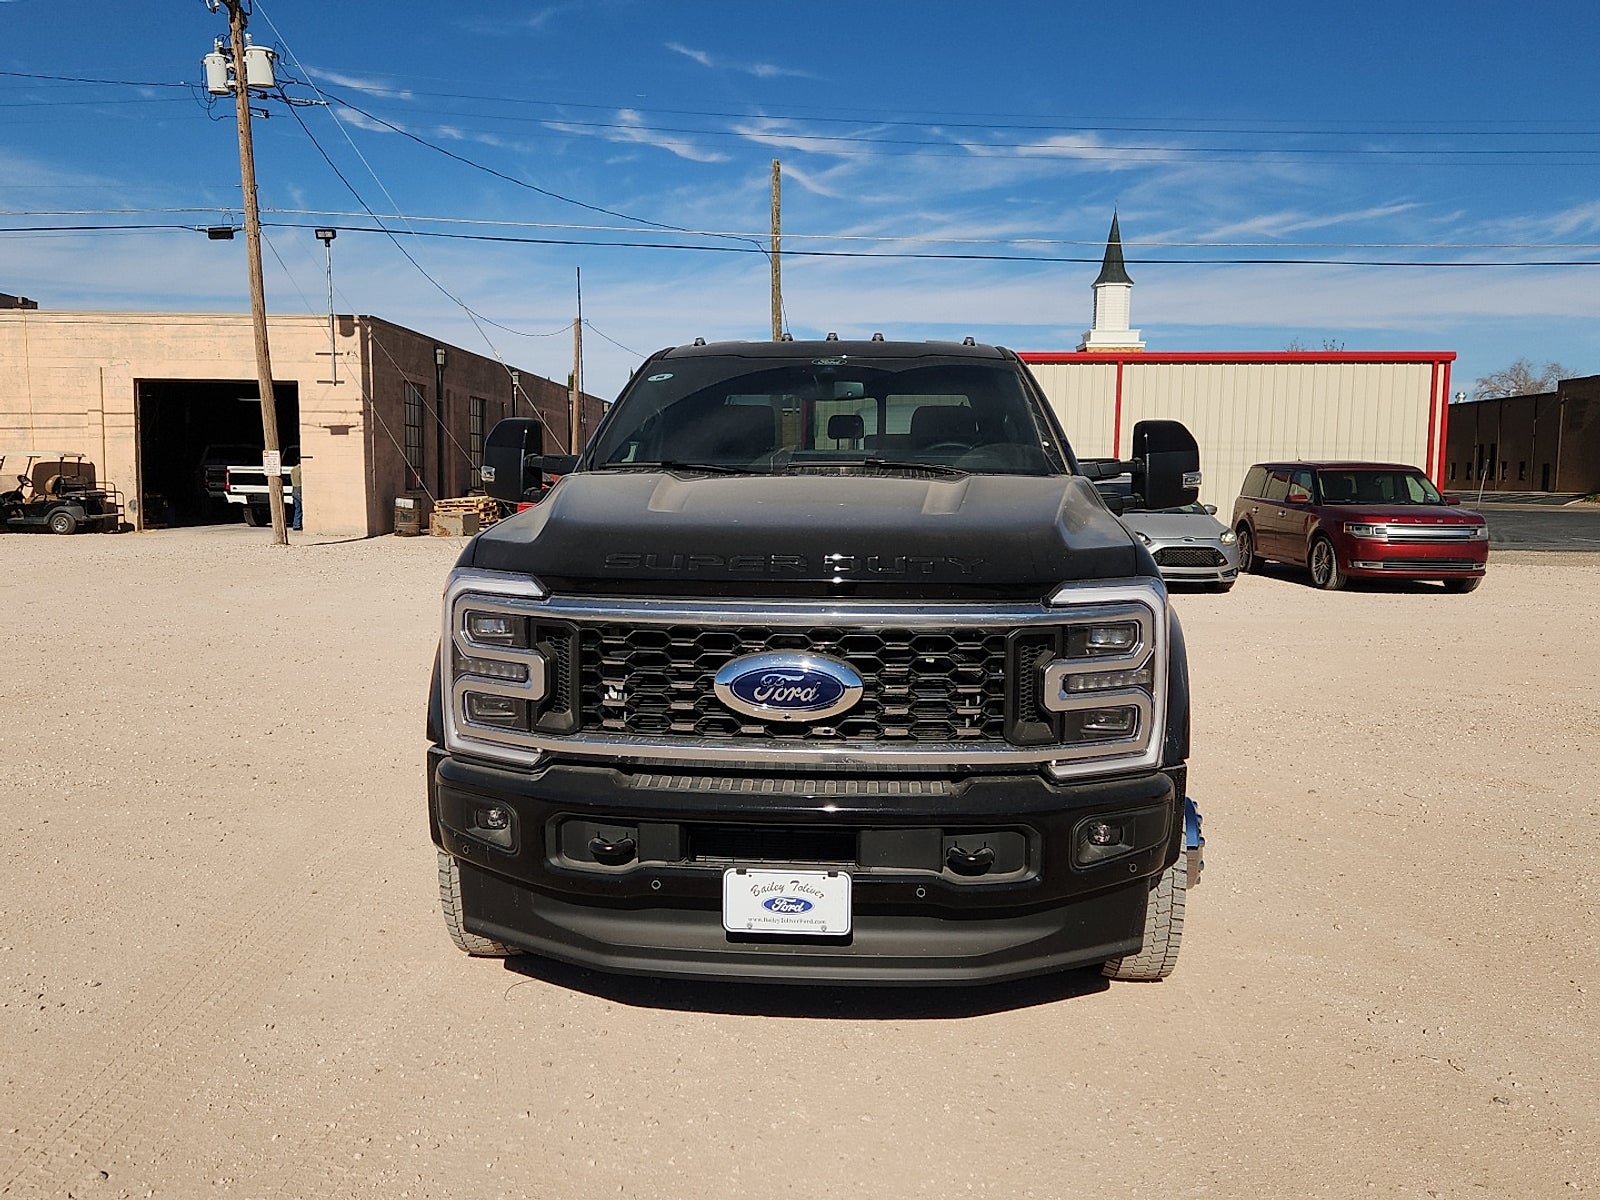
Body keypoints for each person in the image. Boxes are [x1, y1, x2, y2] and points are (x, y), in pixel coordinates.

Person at [289, 460, 303, 531]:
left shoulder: (293, 470)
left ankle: (296, 524)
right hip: (300, 489)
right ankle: (300, 524)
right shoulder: (302, 470)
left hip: (294, 489)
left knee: (297, 508)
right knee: (303, 508)